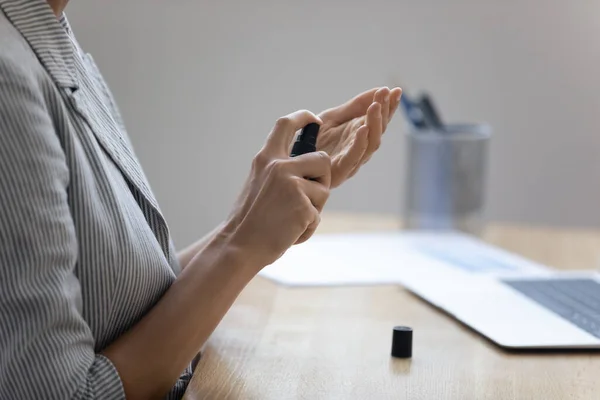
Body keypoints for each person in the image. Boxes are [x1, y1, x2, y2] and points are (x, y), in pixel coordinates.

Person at [0, 0, 402, 399]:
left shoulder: (52, 38)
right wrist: (245, 245)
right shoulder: (9, 78)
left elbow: (128, 304)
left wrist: (251, 218)